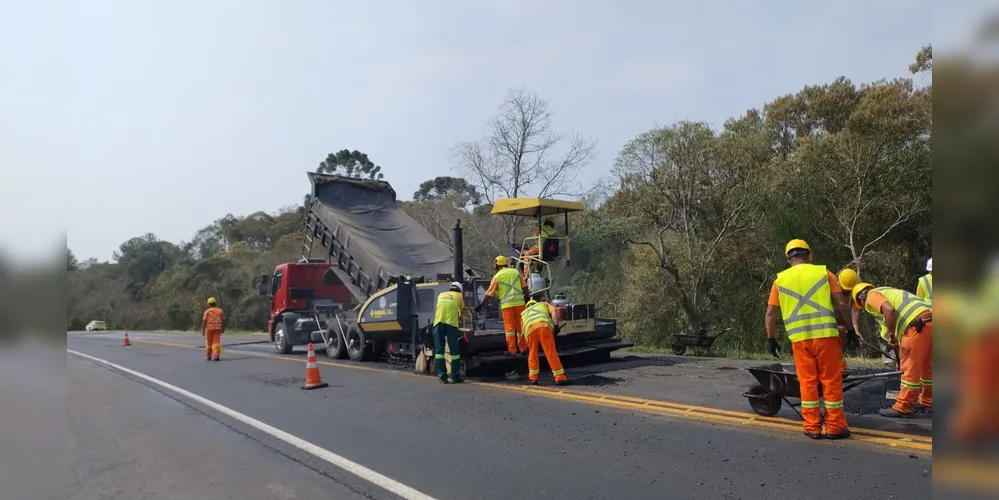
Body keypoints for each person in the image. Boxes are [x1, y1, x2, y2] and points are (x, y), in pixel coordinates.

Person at [765, 239, 857, 439]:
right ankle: (834, 427)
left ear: (789, 259)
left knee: (807, 383)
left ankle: (812, 427)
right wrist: (850, 330)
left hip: (800, 340)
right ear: (809, 255)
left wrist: (771, 338)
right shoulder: (824, 273)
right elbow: (841, 304)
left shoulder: (779, 280)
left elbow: (771, 313)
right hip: (825, 338)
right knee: (831, 382)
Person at [851, 282, 932, 417]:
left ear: (861, 299)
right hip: (930, 322)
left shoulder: (871, 295)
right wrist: (899, 358)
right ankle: (928, 401)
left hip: (916, 327)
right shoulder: (889, 292)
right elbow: (896, 344)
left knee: (910, 370)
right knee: (927, 368)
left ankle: (903, 407)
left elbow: (889, 310)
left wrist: (892, 335)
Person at [475, 256, 530, 355]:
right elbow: (525, 287)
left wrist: (481, 305)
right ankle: (524, 348)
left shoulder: (497, 276)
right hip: (520, 304)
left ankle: (512, 350)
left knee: (510, 328)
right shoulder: (515, 272)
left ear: (496, 266)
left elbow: (489, 293)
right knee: (521, 326)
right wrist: (527, 297)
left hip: (507, 305)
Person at [520, 294, 568, 386]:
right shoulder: (543, 304)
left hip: (530, 331)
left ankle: (533, 378)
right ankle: (559, 378)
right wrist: (556, 326)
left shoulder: (524, 313)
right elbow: (554, 311)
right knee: (550, 352)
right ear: (535, 303)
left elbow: (522, 333)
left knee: (532, 353)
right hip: (544, 327)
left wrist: (524, 347)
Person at [433, 282, 467, 384]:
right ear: (459, 290)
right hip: (451, 324)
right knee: (454, 352)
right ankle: (455, 377)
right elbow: (462, 310)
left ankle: (442, 376)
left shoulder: (441, 294)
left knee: (439, 351)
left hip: (438, 323)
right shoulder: (459, 296)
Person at [835, 268, 866, 371]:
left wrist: (854, 331)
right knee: (832, 345)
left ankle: (841, 369)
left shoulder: (856, 292)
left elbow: (855, 310)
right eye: (845, 291)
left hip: (845, 324)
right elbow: (840, 307)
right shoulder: (831, 290)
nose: (847, 293)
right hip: (831, 323)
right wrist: (836, 326)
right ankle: (836, 370)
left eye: (849, 291)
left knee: (839, 345)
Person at [202, 297, 226, 361]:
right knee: (216, 343)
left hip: (209, 329)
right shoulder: (220, 311)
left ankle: (209, 356)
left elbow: (204, 321)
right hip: (218, 329)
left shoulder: (207, 311)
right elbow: (223, 320)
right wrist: (223, 328)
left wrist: (203, 330)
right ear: (215, 303)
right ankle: (216, 356)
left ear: (209, 304)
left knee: (209, 344)